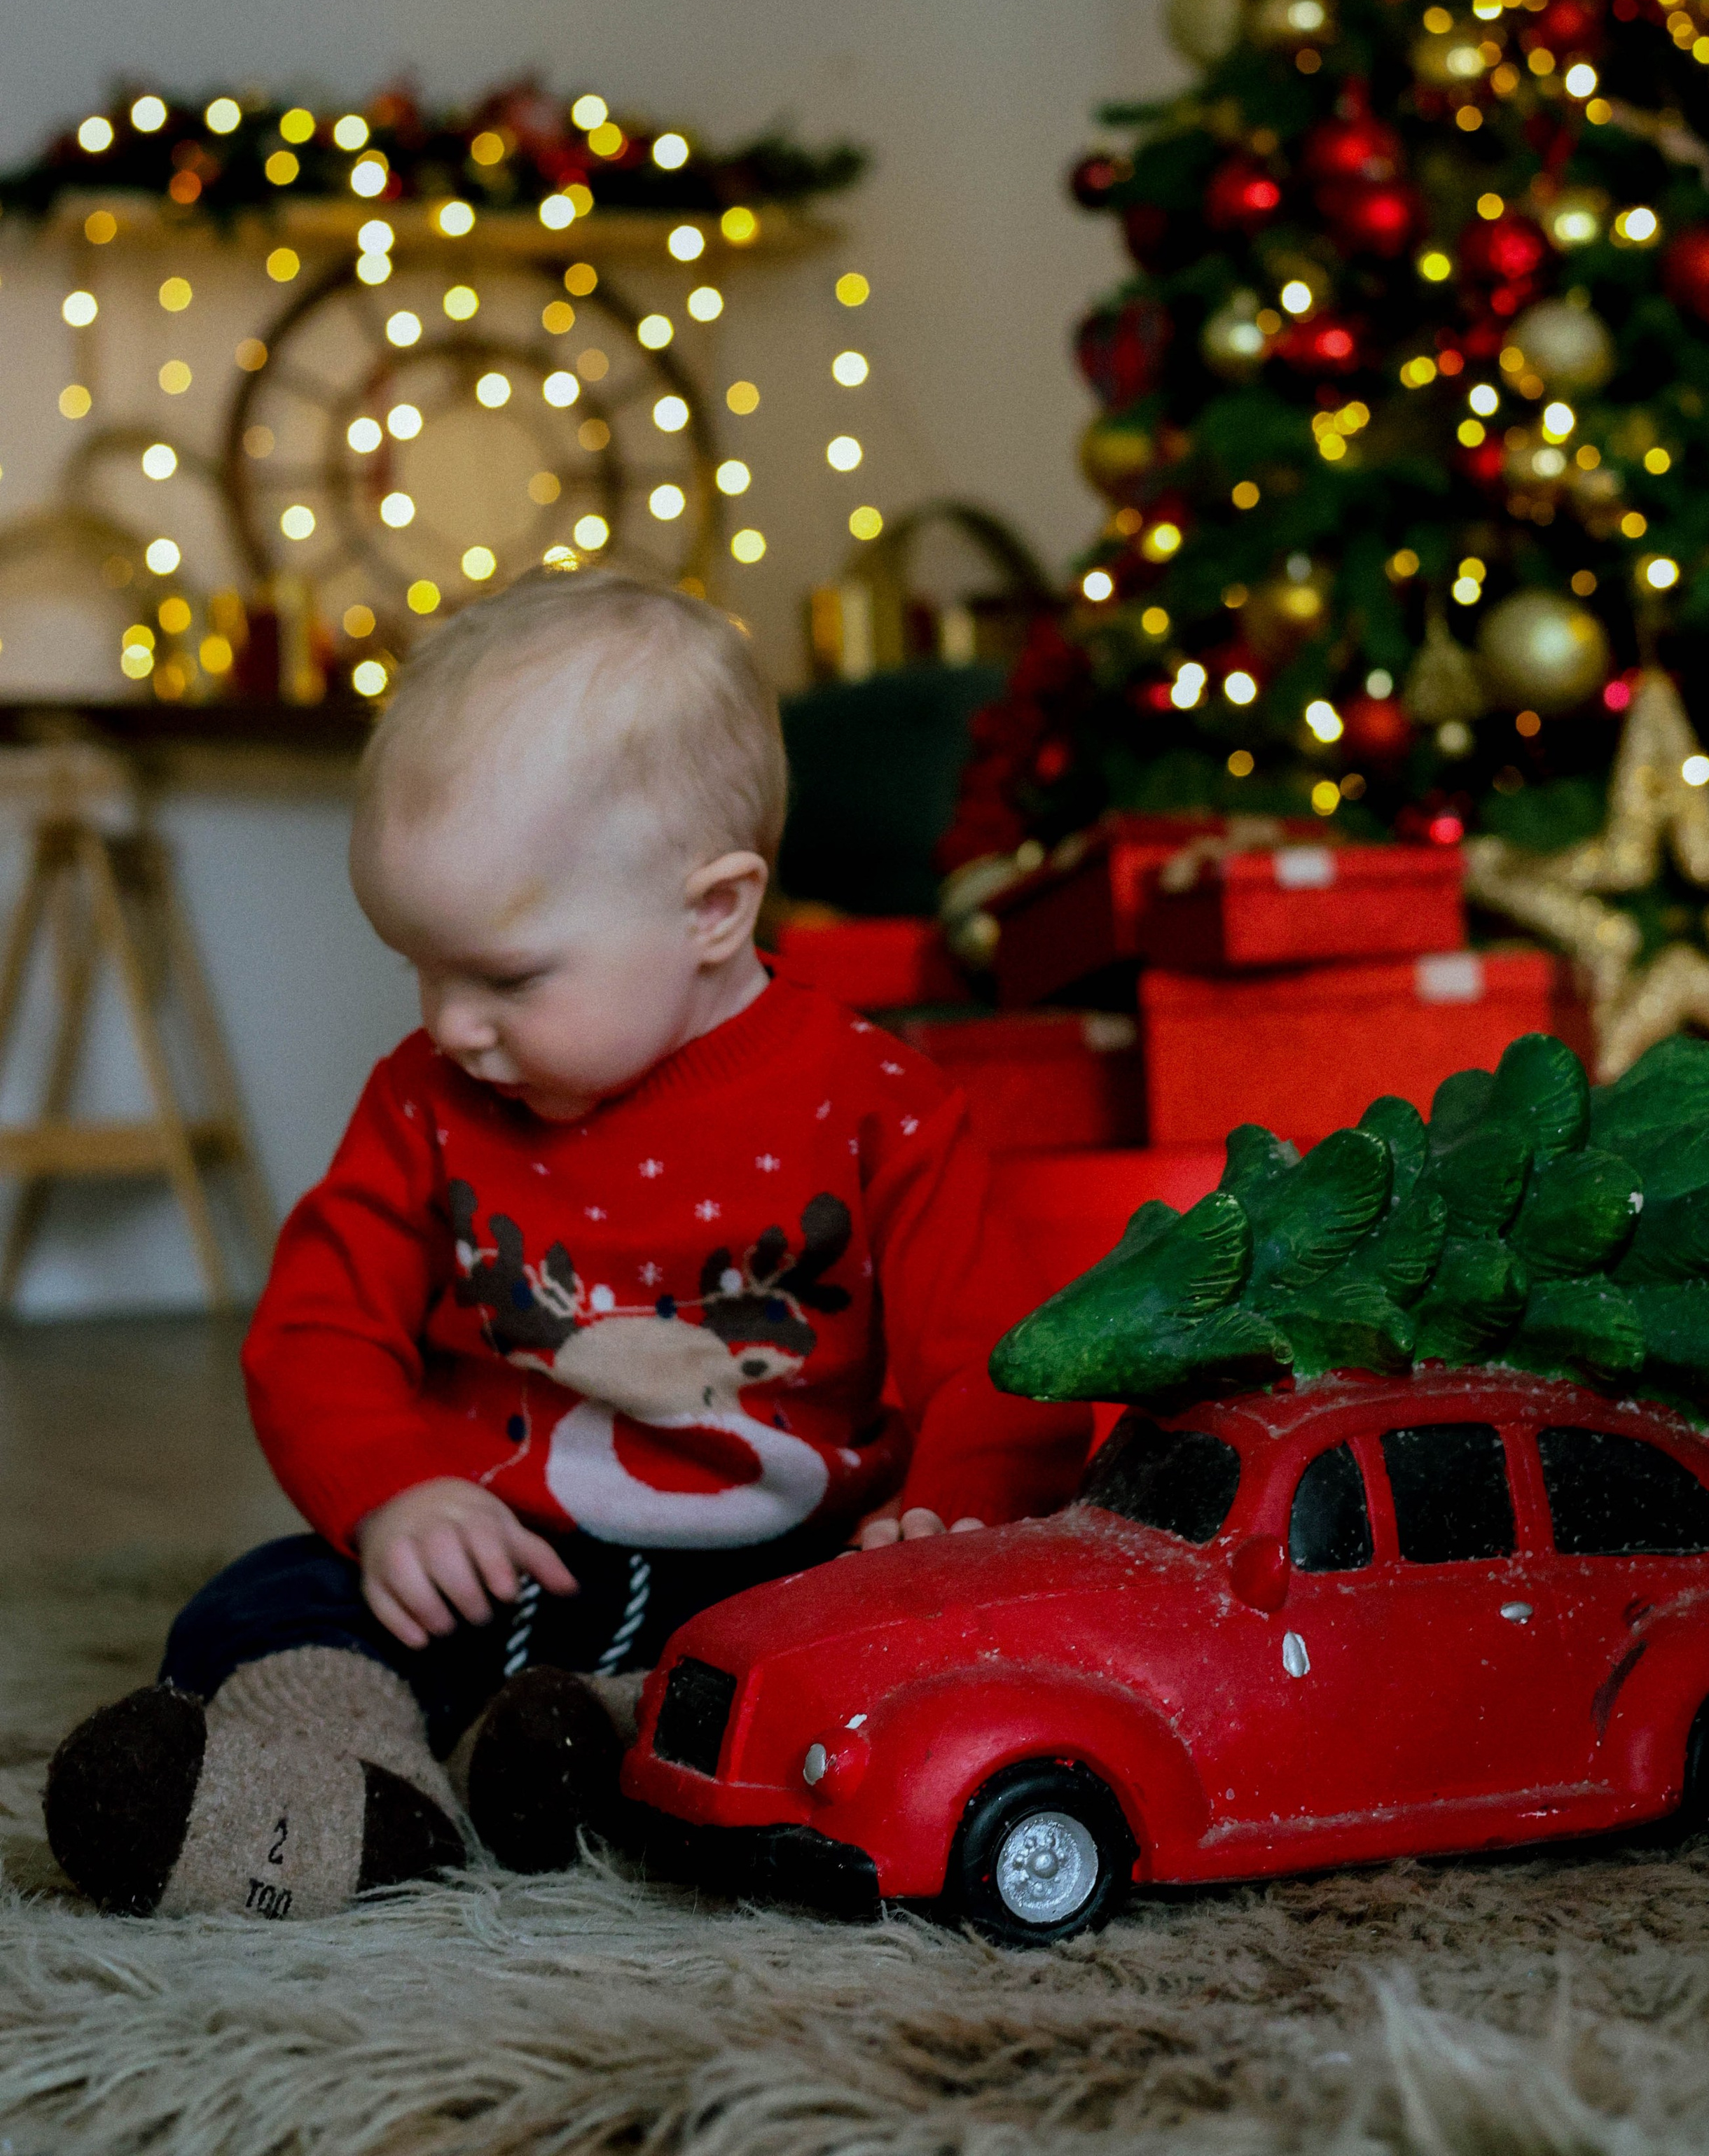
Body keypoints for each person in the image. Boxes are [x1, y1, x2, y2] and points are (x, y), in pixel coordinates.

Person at [45, 571, 1091, 1919]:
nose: (454, 1024)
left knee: (862, 1645)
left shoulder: (878, 1105)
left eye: (508, 978)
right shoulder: (426, 1101)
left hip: (771, 1569)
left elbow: (994, 1358)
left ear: (714, 914)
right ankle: (356, 1789)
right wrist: (396, 1496)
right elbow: (316, 1330)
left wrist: (948, 1516)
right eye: (421, 968)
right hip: (493, 1560)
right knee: (252, 1611)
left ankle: (603, 1736)